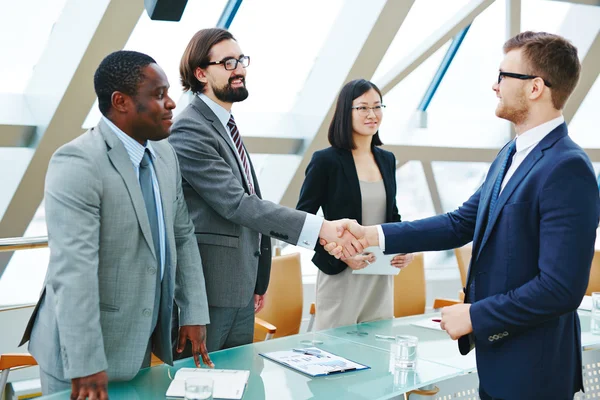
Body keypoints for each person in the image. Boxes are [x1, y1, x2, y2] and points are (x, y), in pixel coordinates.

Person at [322, 32, 599, 399]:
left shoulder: (568, 168)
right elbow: (459, 223)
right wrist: (370, 234)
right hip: (499, 359)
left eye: (503, 76)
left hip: (536, 368)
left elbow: (560, 289)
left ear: (535, 88)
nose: (494, 86)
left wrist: (474, 315)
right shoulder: (511, 154)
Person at [20, 51, 213, 398]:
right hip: (78, 360)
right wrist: (86, 363)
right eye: (158, 94)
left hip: (137, 346)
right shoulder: (78, 161)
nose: (171, 103)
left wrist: (193, 312)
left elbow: (182, 236)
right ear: (121, 102)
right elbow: (73, 271)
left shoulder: (165, 154)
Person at [169, 28, 361, 354]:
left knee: (240, 382)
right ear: (200, 73)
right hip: (208, 296)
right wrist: (322, 228)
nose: (240, 69)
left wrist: (258, 280)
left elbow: (249, 206)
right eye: (228, 63)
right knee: (202, 387)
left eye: (241, 60)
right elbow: (238, 205)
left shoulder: (224, 123)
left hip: (240, 290)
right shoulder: (191, 127)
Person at [296, 79, 414, 330]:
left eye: (377, 106)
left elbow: (391, 214)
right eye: (362, 108)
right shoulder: (325, 161)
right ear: (345, 113)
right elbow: (303, 220)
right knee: (335, 357)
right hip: (341, 274)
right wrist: (340, 252)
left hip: (381, 276)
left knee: (378, 355)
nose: (372, 114)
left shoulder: (387, 159)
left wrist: (405, 246)